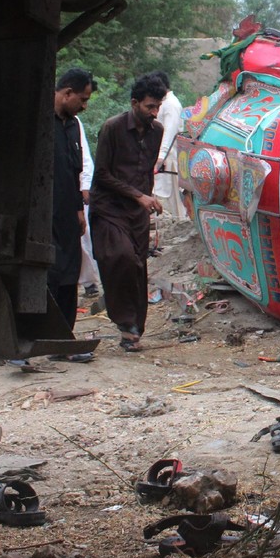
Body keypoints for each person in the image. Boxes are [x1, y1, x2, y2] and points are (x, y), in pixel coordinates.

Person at [90, 74, 166, 352]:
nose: (154, 112)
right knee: (119, 257)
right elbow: (102, 175)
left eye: (158, 106)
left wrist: (150, 198)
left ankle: (132, 330)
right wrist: (139, 196)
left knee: (137, 266)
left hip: (137, 212)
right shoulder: (112, 128)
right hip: (108, 208)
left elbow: (145, 171)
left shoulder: (157, 131)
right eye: (149, 107)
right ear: (134, 103)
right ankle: (123, 320)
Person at [49, 67, 96, 363]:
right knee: (47, 276)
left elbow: (76, 167)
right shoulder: (41, 120)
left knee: (68, 275)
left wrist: (80, 209)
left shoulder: (73, 124)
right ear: (66, 93)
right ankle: (38, 338)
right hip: (41, 213)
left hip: (68, 212)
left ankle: (63, 340)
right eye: (82, 98)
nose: (84, 105)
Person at [150, 72, 186, 220]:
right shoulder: (163, 103)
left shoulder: (171, 104)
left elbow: (169, 132)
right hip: (162, 157)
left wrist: (160, 158)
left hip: (168, 158)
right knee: (161, 194)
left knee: (172, 198)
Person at [76, 115, 100, 298]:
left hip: (75, 188)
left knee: (83, 235)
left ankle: (89, 281)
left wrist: (85, 185)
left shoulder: (74, 122)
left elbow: (84, 157)